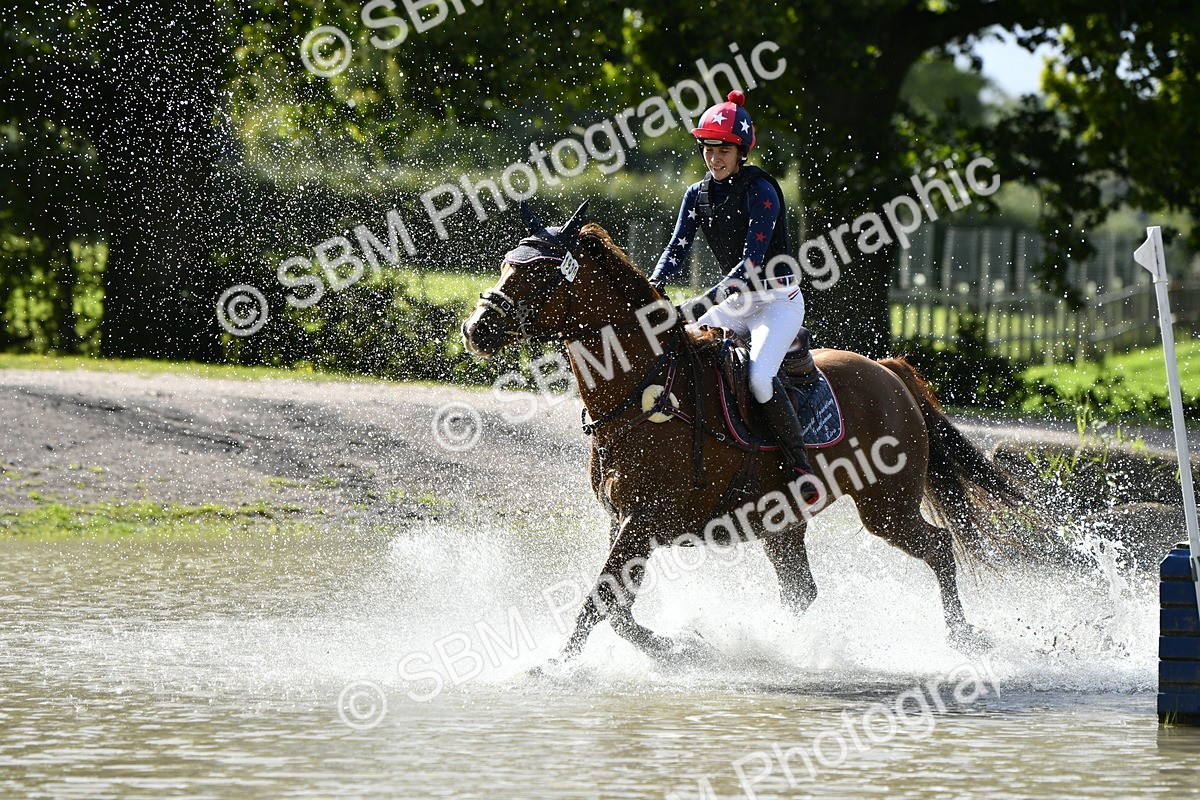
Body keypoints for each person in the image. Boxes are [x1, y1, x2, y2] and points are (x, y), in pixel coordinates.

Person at [648, 90, 818, 502]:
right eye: (708, 148)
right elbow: (676, 251)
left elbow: (750, 267)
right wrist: (652, 288)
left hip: (776, 303)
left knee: (759, 377)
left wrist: (698, 305)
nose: (714, 158)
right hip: (736, 303)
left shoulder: (761, 190)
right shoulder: (696, 195)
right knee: (680, 351)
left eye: (723, 149)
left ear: (741, 150)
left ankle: (801, 467)